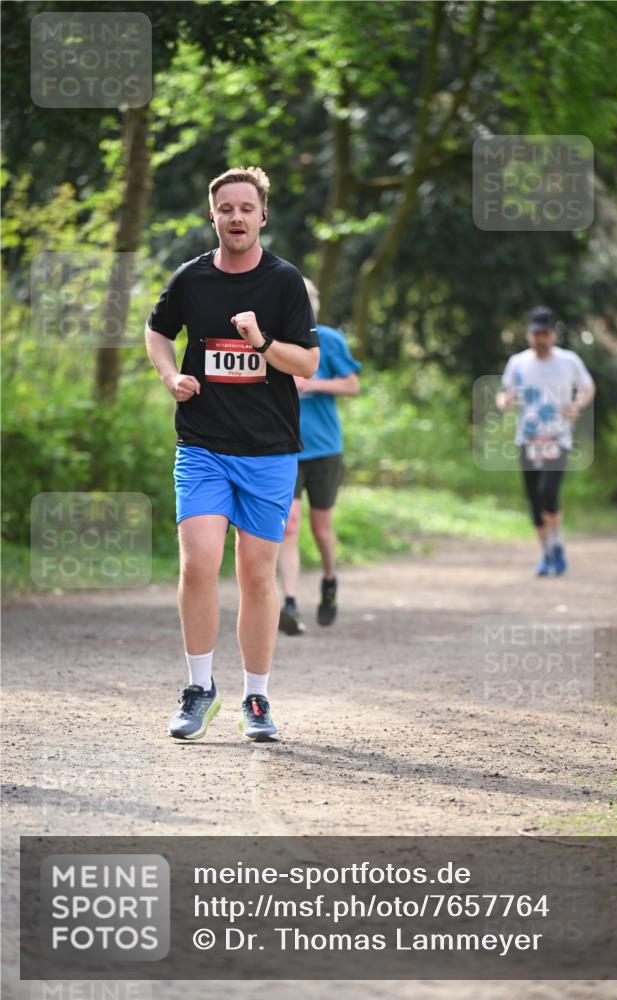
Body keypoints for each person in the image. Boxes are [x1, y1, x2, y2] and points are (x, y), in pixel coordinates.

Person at [145, 166, 319, 742]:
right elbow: (156, 331)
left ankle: (257, 697)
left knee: (255, 574)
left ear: (262, 215)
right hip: (204, 444)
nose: (237, 218)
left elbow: (309, 364)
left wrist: (262, 344)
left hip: (269, 450)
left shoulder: (285, 282)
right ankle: (199, 689)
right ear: (213, 215)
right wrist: (171, 376)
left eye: (247, 208)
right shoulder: (191, 279)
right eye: (227, 209)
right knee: (197, 561)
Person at [277, 279, 361, 634]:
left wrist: (313, 384)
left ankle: (329, 580)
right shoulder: (274, 344)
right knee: (290, 523)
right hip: (286, 448)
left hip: (325, 449)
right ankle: (290, 603)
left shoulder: (329, 340)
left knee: (321, 529)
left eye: (305, 302)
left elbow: (352, 385)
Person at [496, 306, 595, 576]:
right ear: (529, 334)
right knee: (533, 498)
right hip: (527, 439)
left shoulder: (569, 360)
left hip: (557, 436)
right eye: (535, 333)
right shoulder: (518, 362)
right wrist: (504, 402)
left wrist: (577, 404)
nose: (540, 338)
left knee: (548, 492)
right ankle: (547, 553)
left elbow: (587, 386)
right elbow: (505, 392)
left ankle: (556, 541)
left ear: (553, 334)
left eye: (545, 333)